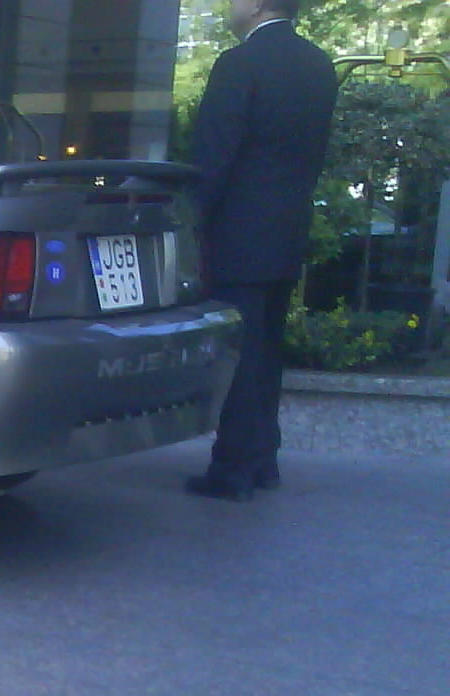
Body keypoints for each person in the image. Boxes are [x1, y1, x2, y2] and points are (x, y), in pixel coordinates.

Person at [185, 0, 337, 501]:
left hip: (238, 233)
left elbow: (215, 153)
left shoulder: (239, 65)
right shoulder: (317, 64)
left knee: (238, 353)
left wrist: (192, 223)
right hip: (287, 229)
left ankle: (232, 469)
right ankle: (262, 459)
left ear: (255, 5)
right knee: (268, 349)